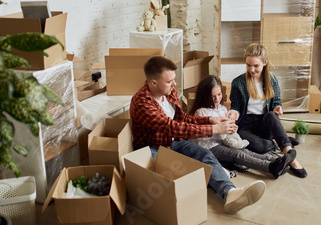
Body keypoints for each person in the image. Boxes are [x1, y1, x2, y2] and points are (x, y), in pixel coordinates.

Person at [130, 56, 265, 214]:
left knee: (205, 154)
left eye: (174, 80)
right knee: (164, 177)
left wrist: (209, 119)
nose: (174, 84)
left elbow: (183, 119)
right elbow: (171, 127)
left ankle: (230, 193)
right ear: (153, 82)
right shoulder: (142, 103)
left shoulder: (168, 91)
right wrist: (214, 129)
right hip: (152, 147)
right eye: (169, 81)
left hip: (174, 142)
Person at [189, 75, 295, 179]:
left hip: (225, 142)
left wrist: (232, 128)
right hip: (209, 146)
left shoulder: (222, 109)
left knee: (245, 150)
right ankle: (270, 167)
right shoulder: (201, 112)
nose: (217, 98)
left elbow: (229, 129)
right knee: (238, 154)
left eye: (219, 94)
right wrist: (218, 129)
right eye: (213, 96)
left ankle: (276, 160)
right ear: (205, 96)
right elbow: (198, 135)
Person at [228, 43, 308, 178]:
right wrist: (234, 112)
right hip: (245, 125)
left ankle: (291, 158)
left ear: (264, 63)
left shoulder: (272, 80)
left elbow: (277, 102)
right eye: (248, 65)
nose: (251, 69)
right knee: (260, 148)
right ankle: (277, 142)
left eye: (256, 66)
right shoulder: (238, 83)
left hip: (264, 121)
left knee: (271, 115)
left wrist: (278, 108)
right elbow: (235, 106)